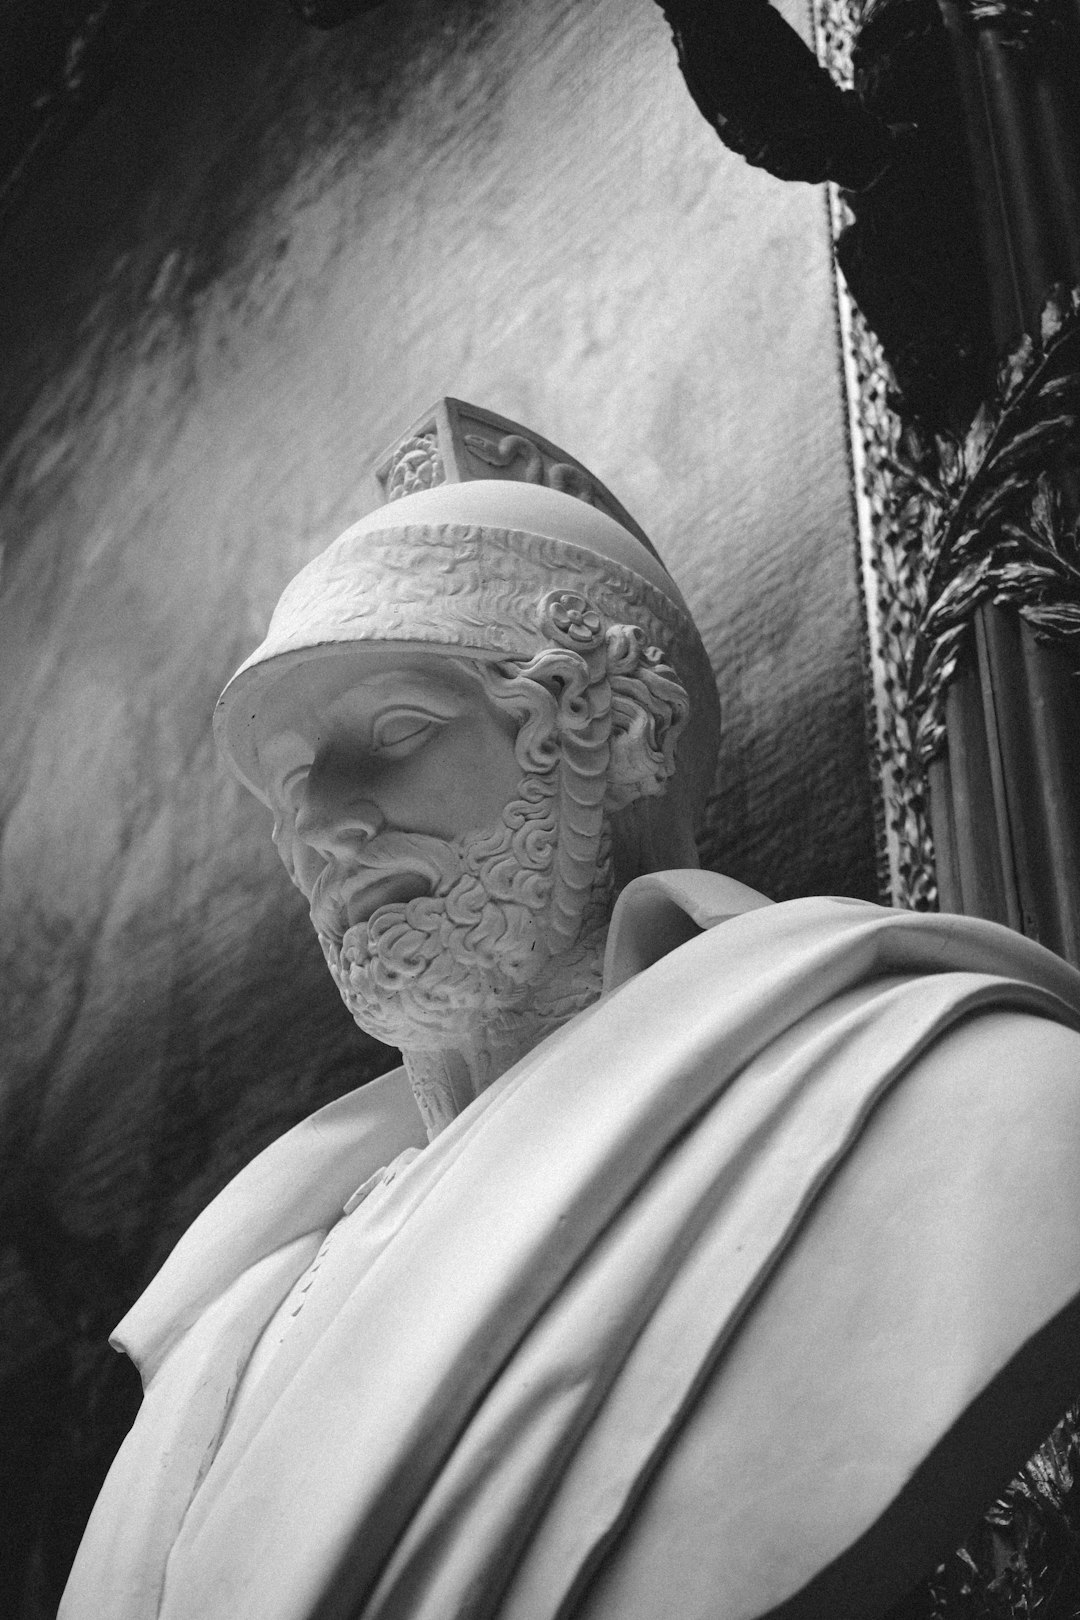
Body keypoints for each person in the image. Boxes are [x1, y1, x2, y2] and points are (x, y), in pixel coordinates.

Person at [60, 462, 1080, 1620]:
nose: (322, 827)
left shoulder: (965, 1110)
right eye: (291, 777)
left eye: (397, 728)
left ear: (627, 729)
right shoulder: (237, 1305)